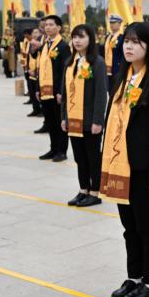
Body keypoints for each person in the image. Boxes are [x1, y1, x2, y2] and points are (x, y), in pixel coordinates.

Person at [101, 22, 149, 297]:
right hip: (120, 165)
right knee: (129, 226)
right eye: (126, 41)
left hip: (144, 169)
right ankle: (134, 276)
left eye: (136, 42)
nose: (128, 47)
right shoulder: (122, 78)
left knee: (148, 226)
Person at [62, 24, 107, 207]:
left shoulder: (97, 62)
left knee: (93, 157)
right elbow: (66, 92)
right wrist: (64, 117)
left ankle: (95, 192)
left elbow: (101, 93)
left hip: (90, 120)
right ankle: (83, 190)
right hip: (73, 119)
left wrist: (98, 120)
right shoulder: (70, 62)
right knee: (79, 157)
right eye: (74, 37)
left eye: (81, 37)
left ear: (90, 39)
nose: (77, 40)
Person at [36, 15, 69, 162]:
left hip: (56, 92)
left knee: (59, 122)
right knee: (50, 122)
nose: (47, 27)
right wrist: (38, 88)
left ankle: (62, 151)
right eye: (46, 25)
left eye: (51, 25)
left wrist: (61, 91)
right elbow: (40, 68)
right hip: (45, 91)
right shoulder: (44, 45)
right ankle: (53, 148)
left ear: (58, 27)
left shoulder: (63, 46)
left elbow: (65, 71)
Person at [104, 14, 125, 89]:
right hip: (107, 68)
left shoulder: (122, 38)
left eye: (114, 23)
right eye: (110, 23)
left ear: (119, 24)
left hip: (117, 68)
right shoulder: (108, 37)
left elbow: (123, 54)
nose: (111, 25)